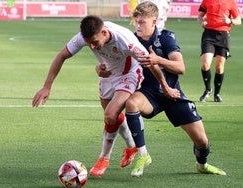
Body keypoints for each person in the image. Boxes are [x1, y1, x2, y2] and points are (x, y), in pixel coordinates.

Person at [32, 15, 174, 177]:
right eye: (88, 43)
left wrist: (165, 86)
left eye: (94, 42)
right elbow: (61, 55)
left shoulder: (125, 40)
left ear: (105, 33)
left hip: (129, 74)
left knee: (109, 115)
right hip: (107, 74)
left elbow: (151, 62)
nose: (92, 47)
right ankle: (131, 147)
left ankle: (103, 158)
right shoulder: (84, 37)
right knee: (112, 118)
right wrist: (46, 87)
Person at [124, 1, 226, 177]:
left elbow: (181, 67)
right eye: (136, 21)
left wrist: (159, 60)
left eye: (142, 22)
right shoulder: (132, 40)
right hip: (149, 93)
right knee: (132, 103)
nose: (138, 25)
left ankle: (202, 164)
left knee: (202, 141)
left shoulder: (166, 37)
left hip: (174, 94)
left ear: (154, 22)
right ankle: (143, 155)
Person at [197, 0, 241, 102]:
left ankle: (217, 94)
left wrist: (229, 21)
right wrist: (202, 22)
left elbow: (238, 20)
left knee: (219, 67)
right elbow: (199, 16)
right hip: (208, 34)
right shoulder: (206, 1)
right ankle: (208, 89)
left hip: (223, 36)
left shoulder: (231, 2)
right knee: (205, 64)